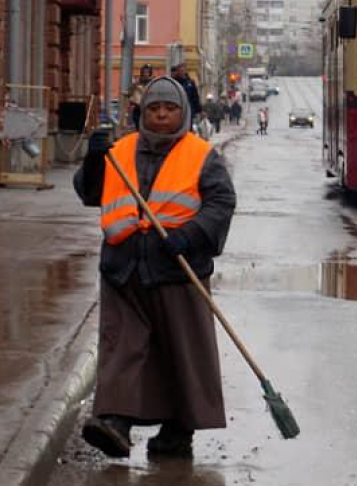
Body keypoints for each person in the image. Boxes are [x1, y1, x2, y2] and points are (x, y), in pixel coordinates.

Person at [74, 77, 237, 459]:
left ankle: (178, 430)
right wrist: (95, 158)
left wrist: (192, 235)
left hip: (177, 270)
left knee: (182, 353)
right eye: (153, 108)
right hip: (123, 270)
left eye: (170, 109)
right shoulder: (119, 149)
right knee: (122, 347)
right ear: (141, 113)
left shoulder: (202, 155)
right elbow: (90, 192)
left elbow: (221, 202)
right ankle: (115, 422)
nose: (161, 115)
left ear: (184, 114)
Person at [124, 65, 154, 129]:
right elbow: (129, 95)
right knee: (139, 128)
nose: (145, 74)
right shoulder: (136, 84)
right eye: (144, 72)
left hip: (150, 111)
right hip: (138, 110)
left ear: (150, 74)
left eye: (147, 72)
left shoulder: (153, 84)